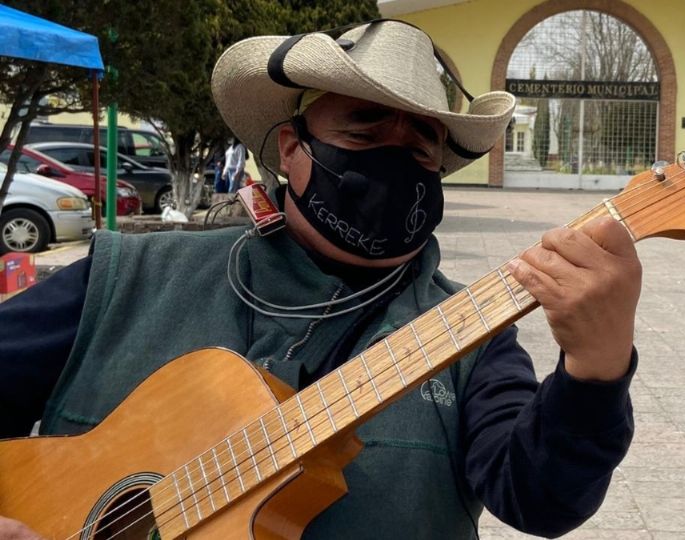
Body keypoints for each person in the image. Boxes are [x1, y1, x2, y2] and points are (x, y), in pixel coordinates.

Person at [0, 21, 641, 539]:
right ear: (288, 149)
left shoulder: (474, 342)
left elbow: (541, 500)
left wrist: (596, 369)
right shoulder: (127, 278)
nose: (394, 155)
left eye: (420, 146)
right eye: (364, 127)